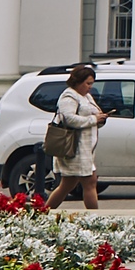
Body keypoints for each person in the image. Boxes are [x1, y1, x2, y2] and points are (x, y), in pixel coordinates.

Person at [44, 62, 104, 210]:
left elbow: (94, 115)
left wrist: (101, 119)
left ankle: (43, 212)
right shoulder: (69, 97)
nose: (90, 87)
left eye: (91, 84)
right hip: (74, 147)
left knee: (67, 185)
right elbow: (69, 119)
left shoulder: (87, 97)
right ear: (77, 82)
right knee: (90, 182)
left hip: (85, 148)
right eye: (87, 83)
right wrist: (93, 120)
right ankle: (95, 217)